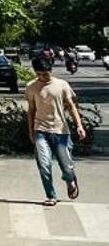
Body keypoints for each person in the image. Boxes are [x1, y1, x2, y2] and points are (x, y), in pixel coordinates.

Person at [25, 48, 87, 204]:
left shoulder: (62, 85)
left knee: (66, 167)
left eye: (45, 74)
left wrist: (79, 125)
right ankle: (51, 195)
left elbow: (71, 106)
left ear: (50, 70)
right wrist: (31, 131)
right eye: (39, 74)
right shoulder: (31, 87)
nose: (42, 77)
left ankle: (71, 180)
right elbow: (31, 110)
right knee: (44, 165)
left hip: (61, 131)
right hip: (41, 130)